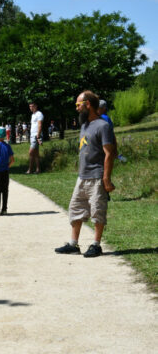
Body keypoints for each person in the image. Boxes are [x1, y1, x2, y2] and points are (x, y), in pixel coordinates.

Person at [55, 90, 115, 258]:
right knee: (75, 209)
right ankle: (73, 244)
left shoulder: (103, 126)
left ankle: (96, 245)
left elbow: (109, 153)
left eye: (78, 105)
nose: (77, 108)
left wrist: (106, 178)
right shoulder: (84, 125)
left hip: (97, 176)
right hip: (82, 177)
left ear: (87, 104)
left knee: (97, 210)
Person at [26, 101, 43, 174]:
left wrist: (38, 135)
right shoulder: (33, 115)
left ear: (36, 106)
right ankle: (38, 169)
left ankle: (30, 169)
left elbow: (40, 125)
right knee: (36, 154)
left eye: (32, 106)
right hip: (32, 135)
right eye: (30, 106)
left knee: (31, 152)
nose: (31, 108)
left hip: (36, 135)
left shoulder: (39, 114)